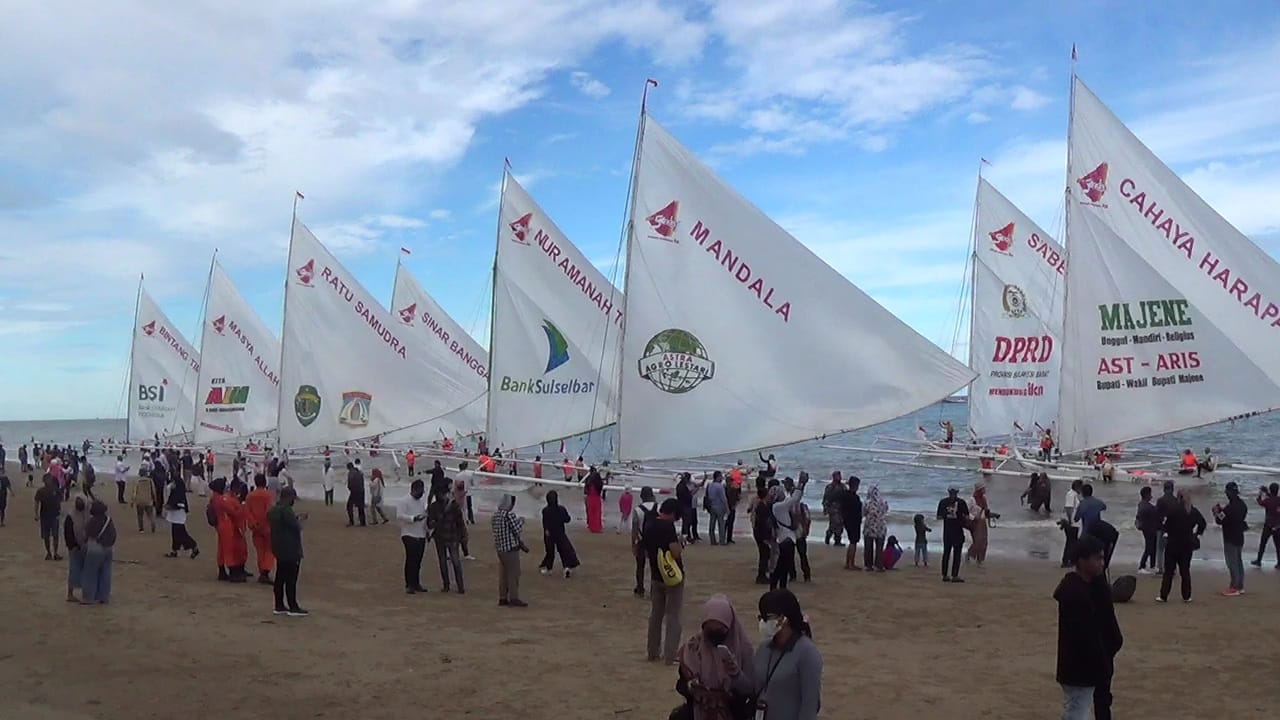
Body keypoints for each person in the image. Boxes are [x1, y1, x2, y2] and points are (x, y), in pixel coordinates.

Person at [1053, 536, 1123, 720]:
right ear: (1082, 561)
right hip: (1079, 668)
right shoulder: (1075, 593)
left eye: (1103, 558)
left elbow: (1106, 618)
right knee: (1076, 712)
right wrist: (1102, 664)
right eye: (1097, 558)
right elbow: (1085, 636)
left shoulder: (1092, 587)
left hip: (1090, 665)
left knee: (1081, 708)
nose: (1102, 563)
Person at [675, 594, 755, 720]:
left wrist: (735, 673)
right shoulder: (693, 647)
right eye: (709, 628)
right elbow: (681, 684)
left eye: (719, 628)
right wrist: (691, 687)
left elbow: (750, 690)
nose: (714, 632)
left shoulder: (744, 649)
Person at [754, 589, 823, 720]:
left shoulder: (807, 653)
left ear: (783, 618)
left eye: (767, 617)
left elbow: (809, 704)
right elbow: (753, 687)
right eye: (760, 617)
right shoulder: (764, 649)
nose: (762, 622)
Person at [646, 498, 684, 664]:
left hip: (655, 573)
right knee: (673, 616)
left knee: (656, 615)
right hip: (672, 575)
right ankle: (670, 654)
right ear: (673, 514)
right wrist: (681, 544)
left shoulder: (649, 523)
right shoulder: (667, 527)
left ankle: (652, 651)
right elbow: (675, 552)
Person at [1157, 490, 1206, 603]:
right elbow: (1202, 523)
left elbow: (1165, 525)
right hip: (1187, 544)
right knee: (1185, 571)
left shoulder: (1173, 510)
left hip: (1173, 543)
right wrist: (1197, 534)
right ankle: (1187, 596)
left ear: (1178, 498)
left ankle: (1163, 596)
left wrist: (1167, 533)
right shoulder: (1192, 511)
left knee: (1168, 571)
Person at [268, 487, 308, 616]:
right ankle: (293, 606)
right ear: (289, 497)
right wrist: (299, 520)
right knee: (291, 578)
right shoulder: (286, 510)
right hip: (290, 548)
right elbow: (296, 527)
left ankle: (279, 605)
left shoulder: (273, 510)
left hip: (278, 547)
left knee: (280, 576)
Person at [428, 482, 467, 594]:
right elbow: (460, 523)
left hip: (444, 536)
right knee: (452, 561)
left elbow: (460, 522)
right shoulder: (452, 505)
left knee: (446, 561)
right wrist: (463, 535)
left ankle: (449, 586)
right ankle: (458, 587)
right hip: (450, 536)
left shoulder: (435, 507)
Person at [1212, 481, 1248, 596]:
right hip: (1239, 536)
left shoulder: (1230, 508)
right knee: (1238, 561)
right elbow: (1232, 516)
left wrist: (1217, 512)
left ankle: (1234, 586)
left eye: (1227, 492)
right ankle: (1240, 585)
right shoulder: (1242, 505)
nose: (1226, 494)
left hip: (1230, 537)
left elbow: (1220, 520)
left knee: (1231, 562)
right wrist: (1223, 511)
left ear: (1229, 492)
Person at [491, 493, 527, 607]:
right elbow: (517, 530)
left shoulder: (495, 515)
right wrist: (521, 521)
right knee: (514, 573)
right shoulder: (509, 515)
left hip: (500, 549)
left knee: (503, 574)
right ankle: (514, 597)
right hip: (510, 548)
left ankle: (502, 597)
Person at [209, 477, 247, 583]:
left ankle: (222, 571)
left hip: (220, 525)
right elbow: (233, 512)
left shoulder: (214, 498)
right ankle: (232, 572)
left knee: (221, 549)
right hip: (226, 525)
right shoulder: (221, 499)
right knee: (229, 549)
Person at [80, 500, 116, 604]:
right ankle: (104, 596)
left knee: (90, 573)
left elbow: (86, 535)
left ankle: (88, 598)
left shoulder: (92, 522)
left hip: (95, 549)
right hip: (108, 549)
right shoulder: (109, 520)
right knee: (105, 573)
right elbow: (113, 535)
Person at [538, 490, 581, 578]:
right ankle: (567, 567)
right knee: (564, 551)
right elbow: (567, 519)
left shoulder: (545, 510)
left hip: (549, 534)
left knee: (550, 552)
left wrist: (546, 530)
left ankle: (548, 568)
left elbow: (545, 522)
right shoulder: (561, 509)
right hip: (560, 533)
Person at [398, 479, 429, 593]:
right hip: (408, 534)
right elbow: (400, 515)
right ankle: (409, 584)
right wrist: (413, 518)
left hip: (421, 534)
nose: (421, 493)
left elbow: (425, 516)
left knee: (418, 560)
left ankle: (416, 583)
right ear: (413, 489)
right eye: (419, 491)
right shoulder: (404, 500)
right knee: (411, 559)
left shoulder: (422, 501)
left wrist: (427, 531)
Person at [246, 474, 276, 584]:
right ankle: (265, 571)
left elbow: (247, 511)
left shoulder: (250, 496)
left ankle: (262, 571)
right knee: (270, 550)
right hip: (267, 526)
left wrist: (253, 523)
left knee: (260, 551)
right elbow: (269, 510)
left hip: (255, 527)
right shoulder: (268, 495)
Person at [936, 487, 970, 582]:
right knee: (956, 554)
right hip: (958, 531)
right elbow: (967, 516)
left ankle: (945, 575)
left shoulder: (943, 502)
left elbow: (939, 517)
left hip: (947, 531)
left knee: (946, 553)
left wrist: (947, 516)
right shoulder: (961, 502)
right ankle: (954, 575)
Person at [163, 476, 199, 559]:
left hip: (179, 516)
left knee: (181, 535)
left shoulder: (179, 493)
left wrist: (170, 507)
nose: (172, 484)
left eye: (174, 483)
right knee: (175, 534)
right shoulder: (175, 492)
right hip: (174, 516)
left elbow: (180, 505)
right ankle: (174, 550)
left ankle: (194, 547)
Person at [631, 486, 658, 597]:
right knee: (654, 567)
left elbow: (635, 529)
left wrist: (633, 544)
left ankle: (640, 587)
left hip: (642, 540)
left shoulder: (637, 510)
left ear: (642, 496)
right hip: (655, 541)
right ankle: (654, 590)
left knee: (640, 566)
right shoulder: (658, 507)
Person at [63, 497, 89, 602]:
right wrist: (74, 546)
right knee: (74, 570)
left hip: (86, 546)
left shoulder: (86, 513)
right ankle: (70, 594)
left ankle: (86, 593)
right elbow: (68, 534)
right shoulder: (70, 516)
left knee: (86, 570)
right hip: (74, 547)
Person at [751, 487, 775, 584]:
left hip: (760, 533)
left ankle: (762, 575)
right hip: (761, 534)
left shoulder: (763, 505)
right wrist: (765, 537)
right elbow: (762, 523)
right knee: (765, 554)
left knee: (765, 554)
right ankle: (761, 576)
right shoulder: (761, 507)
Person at [35, 475, 63, 560]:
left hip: (54, 515)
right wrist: (36, 514)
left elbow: (60, 501)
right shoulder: (41, 491)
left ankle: (55, 553)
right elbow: (36, 503)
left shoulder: (56, 490)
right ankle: (49, 553)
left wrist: (59, 511)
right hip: (45, 516)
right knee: (46, 536)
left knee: (55, 535)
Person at [861, 484, 888, 572]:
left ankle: (868, 565)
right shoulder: (884, 502)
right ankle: (879, 565)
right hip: (881, 527)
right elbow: (886, 511)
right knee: (879, 548)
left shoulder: (867, 502)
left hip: (870, 527)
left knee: (868, 547)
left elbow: (863, 513)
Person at [1253, 482, 1280, 569]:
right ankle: (1279, 563)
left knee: (1263, 544)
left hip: (1268, 525)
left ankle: (1259, 561)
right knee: (1278, 546)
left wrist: (1260, 493)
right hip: (1278, 526)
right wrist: (1267, 492)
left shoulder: (1267, 501)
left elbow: (1259, 501)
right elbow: (1273, 498)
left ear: (1270, 490)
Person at [1153, 480, 1178, 574]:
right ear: (1172, 489)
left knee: (1160, 549)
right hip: (1174, 529)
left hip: (1162, 528)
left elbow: (1157, 515)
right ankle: (1173, 568)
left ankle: (1160, 568)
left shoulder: (1160, 500)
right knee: (1172, 549)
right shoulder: (1176, 501)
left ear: (1164, 489)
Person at [840, 476, 862, 570]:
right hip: (854, 522)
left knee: (851, 541)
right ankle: (851, 564)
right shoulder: (855, 497)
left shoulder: (845, 495)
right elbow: (858, 510)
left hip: (847, 520)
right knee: (853, 542)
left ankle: (848, 563)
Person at [1135, 486, 1158, 574]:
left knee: (1153, 547)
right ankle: (1142, 566)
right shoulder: (1146, 506)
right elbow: (1152, 511)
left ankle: (1152, 565)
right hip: (1148, 529)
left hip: (1150, 528)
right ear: (1146, 495)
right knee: (1149, 548)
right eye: (1150, 494)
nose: (1151, 496)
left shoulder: (1142, 504)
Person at [1060, 479, 1082, 568]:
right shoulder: (1071, 495)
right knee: (1071, 542)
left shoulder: (1074, 495)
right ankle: (1066, 561)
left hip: (1074, 523)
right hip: (1072, 523)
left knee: (1072, 542)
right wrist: (1070, 521)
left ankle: (1070, 560)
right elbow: (1068, 508)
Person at [966, 483, 989, 566]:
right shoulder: (972, 500)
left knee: (984, 541)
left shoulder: (984, 499)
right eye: (983, 489)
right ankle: (969, 554)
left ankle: (980, 559)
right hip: (974, 522)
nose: (984, 490)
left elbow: (986, 511)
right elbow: (966, 512)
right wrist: (973, 518)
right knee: (978, 541)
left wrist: (991, 515)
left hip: (982, 522)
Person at [822, 471, 846, 546]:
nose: (839, 477)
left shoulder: (843, 486)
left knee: (840, 525)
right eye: (837, 476)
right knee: (834, 525)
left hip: (841, 509)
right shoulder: (830, 487)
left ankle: (837, 540)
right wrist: (825, 508)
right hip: (832, 508)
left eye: (839, 476)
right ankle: (828, 536)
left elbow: (846, 497)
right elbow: (826, 498)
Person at [705, 472, 729, 545]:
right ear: (718, 477)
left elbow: (707, 496)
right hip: (719, 506)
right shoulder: (720, 486)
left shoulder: (710, 485)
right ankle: (722, 540)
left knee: (712, 523)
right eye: (721, 477)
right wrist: (727, 508)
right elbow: (723, 498)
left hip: (712, 505)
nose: (722, 478)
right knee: (721, 524)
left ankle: (712, 540)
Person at [131, 468, 156, 533]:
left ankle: (141, 529)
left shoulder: (137, 481)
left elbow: (134, 492)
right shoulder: (150, 481)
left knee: (140, 515)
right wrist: (155, 499)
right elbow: (153, 491)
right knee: (150, 514)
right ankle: (152, 523)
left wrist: (132, 501)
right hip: (149, 500)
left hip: (139, 501)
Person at [584, 466, 605, 533]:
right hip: (596, 497)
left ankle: (591, 527)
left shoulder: (588, 479)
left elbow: (585, 489)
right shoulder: (598, 480)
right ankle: (597, 528)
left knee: (590, 513)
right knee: (597, 513)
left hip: (589, 497)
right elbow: (601, 487)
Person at [345, 461, 367, 527]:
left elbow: (350, 484)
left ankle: (351, 522)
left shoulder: (351, 473)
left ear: (349, 468)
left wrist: (350, 489)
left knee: (349, 506)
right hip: (361, 491)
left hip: (355, 491)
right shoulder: (359, 472)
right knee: (361, 507)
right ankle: (363, 522)